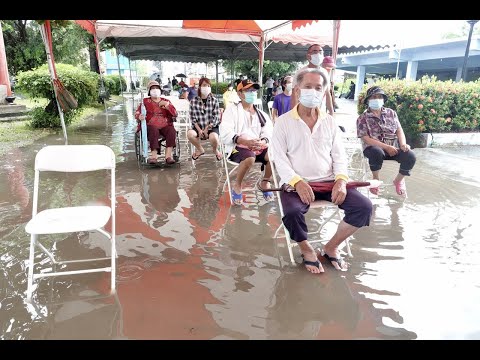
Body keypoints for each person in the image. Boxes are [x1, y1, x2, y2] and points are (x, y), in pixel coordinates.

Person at [272, 68, 373, 273]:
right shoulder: (283, 123)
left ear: (324, 91)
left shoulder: (330, 122)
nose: (313, 91)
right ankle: (307, 250)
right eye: (308, 87)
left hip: (328, 181)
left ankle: (331, 247)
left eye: (318, 88)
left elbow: (339, 157)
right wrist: (297, 182)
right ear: (298, 90)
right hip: (296, 183)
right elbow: (279, 160)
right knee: (291, 213)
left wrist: (341, 181)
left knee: (364, 207)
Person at [219, 79, 275, 205]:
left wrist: (263, 141)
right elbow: (225, 133)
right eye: (248, 90)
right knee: (250, 158)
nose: (252, 93)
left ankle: (265, 181)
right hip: (238, 146)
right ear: (239, 93)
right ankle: (237, 185)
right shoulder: (232, 110)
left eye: (254, 90)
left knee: (274, 155)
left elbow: (268, 131)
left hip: (257, 146)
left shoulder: (261, 114)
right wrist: (245, 142)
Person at [356, 86, 416, 196]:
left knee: (410, 155)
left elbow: (399, 129)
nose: (377, 99)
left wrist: (403, 144)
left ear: (383, 100)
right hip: (373, 149)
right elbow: (366, 139)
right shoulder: (362, 118)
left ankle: (398, 181)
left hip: (393, 149)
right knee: (376, 152)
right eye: (374, 97)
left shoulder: (391, 113)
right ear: (368, 100)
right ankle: (376, 180)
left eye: (379, 97)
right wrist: (386, 147)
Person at [134, 80, 178, 165]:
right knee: (153, 130)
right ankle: (154, 157)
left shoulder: (166, 100)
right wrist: (139, 116)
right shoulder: (145, 101)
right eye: (152, 88)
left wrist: (167, 106)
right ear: (149, 91)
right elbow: (137, 112)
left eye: (157, 88)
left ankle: (168, 156)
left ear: (160, 90)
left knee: (171, 131)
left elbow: (175, 114)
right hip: (150, 125)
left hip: (165, 124)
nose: (155, 90)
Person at [289, 44, 334, 117]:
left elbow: (327, 93)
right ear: (308, 56)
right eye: (315, 51)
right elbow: (294, 94)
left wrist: (331, 112)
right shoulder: (300, 73)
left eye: (320, 52)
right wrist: (294, 114)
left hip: (319, 113)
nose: (318, 54)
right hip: (302, 112)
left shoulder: (324, 73)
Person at [188, 77, 223, 162]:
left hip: (211, 127)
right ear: (200, 87)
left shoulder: (214, 101)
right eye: (204, 85)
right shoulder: (193, 101)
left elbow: (216, 117)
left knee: (214, 137)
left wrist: (207, 128)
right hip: (198, 127)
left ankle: (215, 150)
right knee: (190, 134)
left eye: (208, 85)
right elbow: (192, 118)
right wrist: (200, 130)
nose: (206, 87)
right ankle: (200, 149)